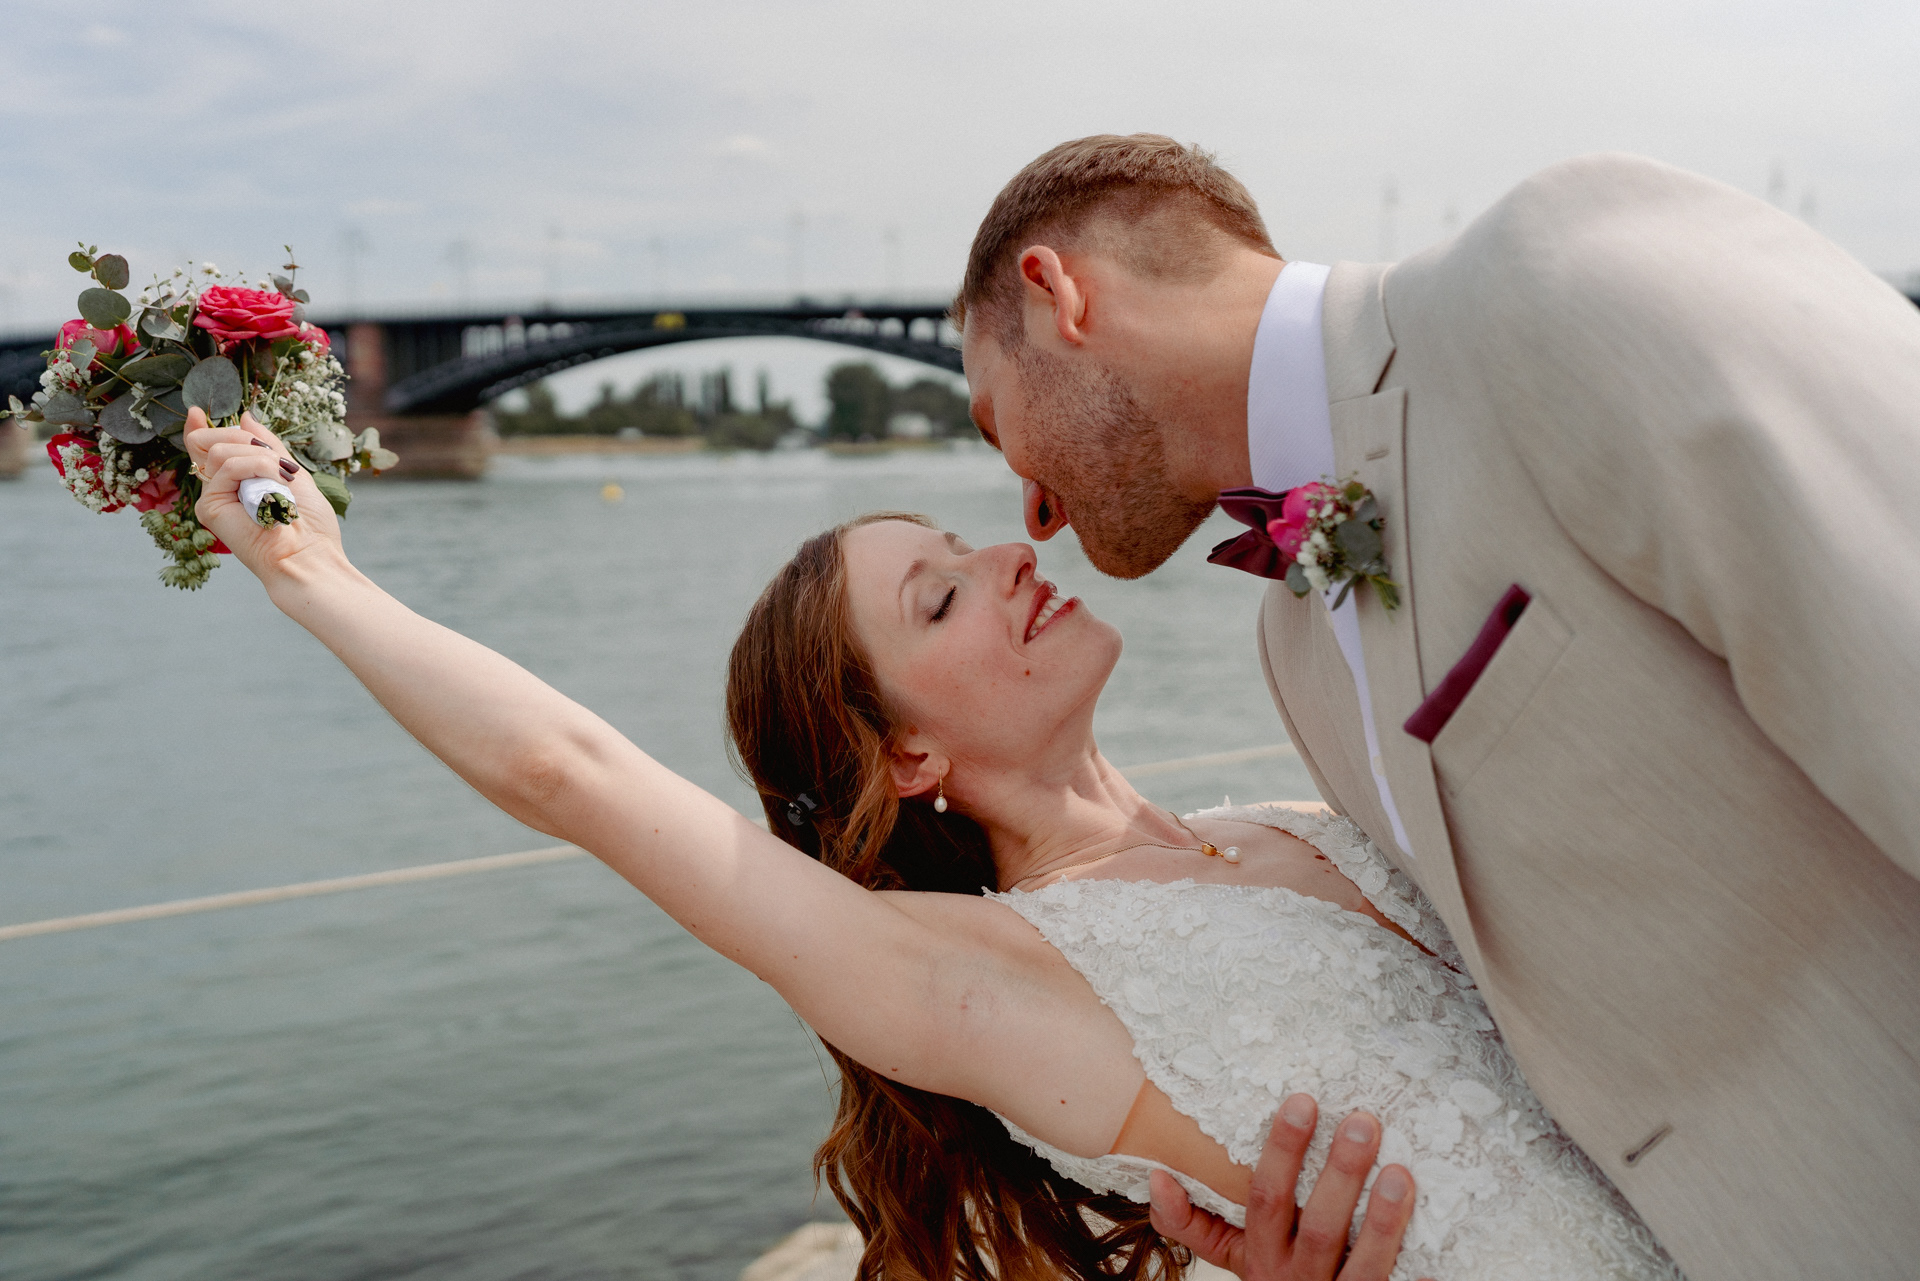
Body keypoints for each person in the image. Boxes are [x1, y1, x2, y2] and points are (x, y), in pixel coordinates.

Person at [182, 414, 1683, 1279]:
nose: (1011, 561)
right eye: (942, 600)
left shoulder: (1295, 819)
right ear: (907, 757)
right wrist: (310, 566)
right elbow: (566, 772)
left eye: (967, 552)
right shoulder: (982, 979)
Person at [954, 134, 1920, 1281]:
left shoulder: (1563, 281)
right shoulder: (1296, 641)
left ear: (1058, 293)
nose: (1030, 514)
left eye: (990, 416)